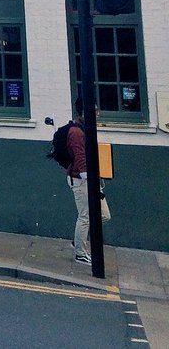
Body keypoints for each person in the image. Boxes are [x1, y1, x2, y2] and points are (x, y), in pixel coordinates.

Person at [66, 99, 111, 265]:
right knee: (85, 216)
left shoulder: (86, 129)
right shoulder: (76, 133)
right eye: (94, 111)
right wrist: (88, 178)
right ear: (83, 113)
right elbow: (80, 157)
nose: (97, 114)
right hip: (80, 180)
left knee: (104, 215)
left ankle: (78, 240)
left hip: (89, 179)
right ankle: (80, 252)